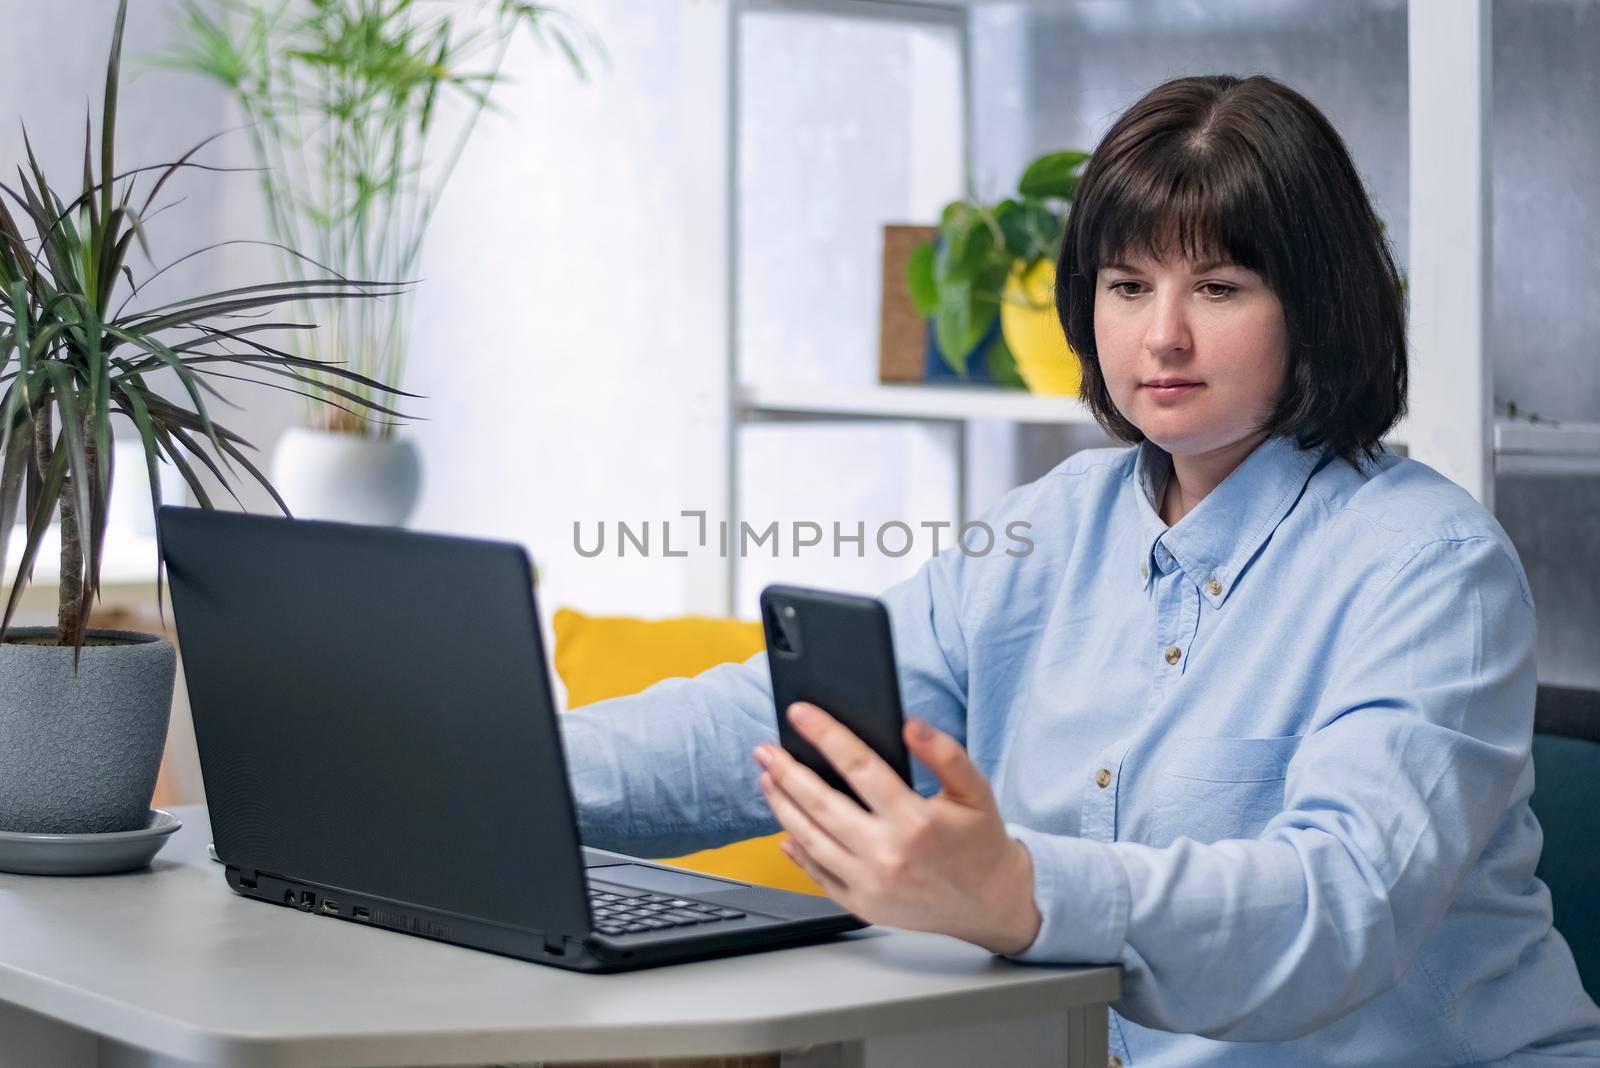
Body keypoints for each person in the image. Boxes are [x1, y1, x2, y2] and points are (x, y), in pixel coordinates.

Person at [560, 74, 1600, 1065]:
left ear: (1316, 306)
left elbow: (1338, 906)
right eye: (1126, 285)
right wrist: (497, 759)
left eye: (1220, 287)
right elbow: (785, 722)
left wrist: (1016, 888)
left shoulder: (1430, 570)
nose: (1163, 336)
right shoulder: (1049, 527)